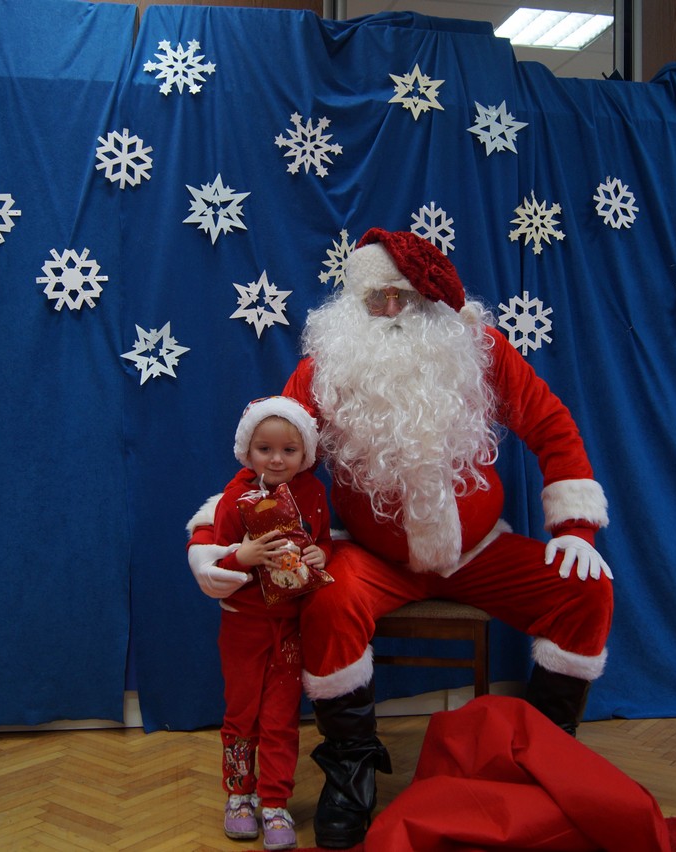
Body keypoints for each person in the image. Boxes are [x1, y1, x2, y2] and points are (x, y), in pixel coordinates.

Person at [189, 228, 613, 849]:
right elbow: (268, 462)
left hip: (477, 553)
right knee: (328, 601)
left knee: (585, 587)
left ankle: (546, 754)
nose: (389, 310)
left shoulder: (480, 350)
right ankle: (350, 771)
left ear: (428, 297)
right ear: (354, 304)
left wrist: (575, 528)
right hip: (375, 559)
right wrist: (208, 536)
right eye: (375, 298)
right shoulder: (327, 366)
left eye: (402, 297)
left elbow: (551, 425)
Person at [201, 396, 334, 851]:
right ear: (248, 450)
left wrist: (320, 553)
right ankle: (239, 795)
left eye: (288, 450)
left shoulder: (313, 494)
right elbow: (216, 562)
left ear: (305, 453)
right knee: (241, 715)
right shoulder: (234, 498)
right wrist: (244, 556)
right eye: (265, 449)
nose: (276, 459)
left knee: (281, 719)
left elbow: (322, 542)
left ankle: (276, 801)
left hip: (290, 628)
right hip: (244, 626)